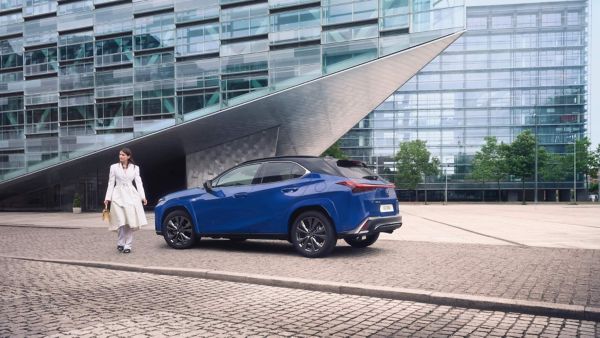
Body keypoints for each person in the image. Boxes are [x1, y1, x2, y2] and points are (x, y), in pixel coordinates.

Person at [104, 148, 148, 253]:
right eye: (120, 154)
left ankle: (128, 245)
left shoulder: (135, 168)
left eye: (123, 155)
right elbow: (111, 183)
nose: (120, 156)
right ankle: (120, 242)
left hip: (131, 196)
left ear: (128, 156)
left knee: (129, 222)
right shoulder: (114, 167)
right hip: (117, 196)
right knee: (121, 221)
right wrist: (107, 198)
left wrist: (143, 196)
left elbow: (138, 183)